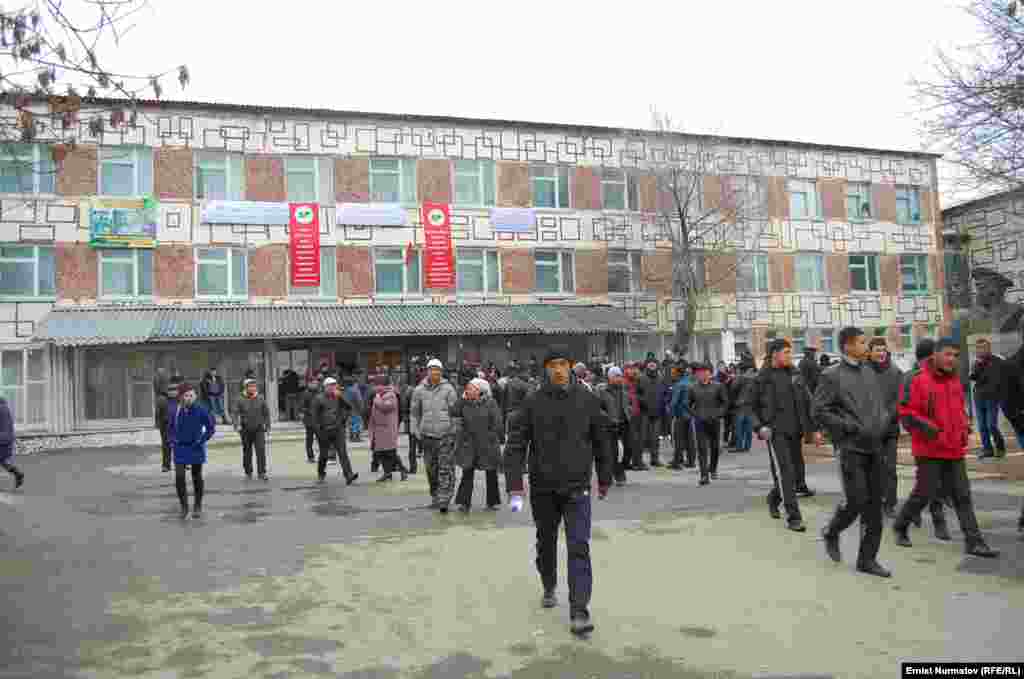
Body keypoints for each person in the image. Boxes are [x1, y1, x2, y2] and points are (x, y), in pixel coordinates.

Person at [505, 345, 614, 637]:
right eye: (552, 364)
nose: (557, 369)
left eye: (562, 363)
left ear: (570, 366)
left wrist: (604, 477)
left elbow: (602, 441)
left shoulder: (588, 400)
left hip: (578, 486)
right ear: (545, 368)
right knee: (546, 541)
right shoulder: (532, 402)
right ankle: (549, 583)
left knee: (579, 546)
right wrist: (516, 486)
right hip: (543, 487)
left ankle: (579, 610)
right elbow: (515, 446)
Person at [892, 338, 1000, 559]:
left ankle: (974, 542)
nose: (953, 359)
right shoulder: (918, 380)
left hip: (954, 449)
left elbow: (959, 409)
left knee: (963, 496)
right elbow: (906, 413)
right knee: (924, 493)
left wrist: (965, 426)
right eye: (948, 354)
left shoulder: (955, 381)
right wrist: (929, 428)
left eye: (956, 355)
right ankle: (901, 524)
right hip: (929, 450)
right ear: (936, 355)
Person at [814, 327, 892, 576]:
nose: (866, 347)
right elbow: (819, 411)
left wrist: (883, 423)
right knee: (856, 501)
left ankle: (867, 559)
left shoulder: (869, 372)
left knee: (874, 506)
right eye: (861, 342)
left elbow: (878, 406)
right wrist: (847, 427)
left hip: (875, 447)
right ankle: (832, 531)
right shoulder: (831, 375)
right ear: (847, 346)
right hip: (851, 448)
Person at [752, 338, 820, 532]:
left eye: (791, 353)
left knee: (796, 476)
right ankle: (793, 517)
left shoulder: (795, 374)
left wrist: (814, 429)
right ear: (774, 354)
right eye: (787, 353)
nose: (790, 356)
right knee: (785, 473)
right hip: (775, 433)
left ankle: (773, 498)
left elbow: (808, 402)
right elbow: (748, 406)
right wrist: (759, 427)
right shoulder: (762, 378)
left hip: (795, 431)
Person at [901, 339, 952, 536]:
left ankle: (916, 510)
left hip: (944, 436)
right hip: (924, 437)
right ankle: (937, 518)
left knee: (933, 479)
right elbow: (906, 411)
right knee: (929, 481)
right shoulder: (911, 378)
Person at [411, 358, 459, 513]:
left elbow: (456, 413)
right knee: (430, 468)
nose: (435, 372)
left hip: (445, 435)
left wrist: (454, 430)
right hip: (427, 435)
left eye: (437, 370)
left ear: (441, 372)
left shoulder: (449, 389)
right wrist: (415, 429)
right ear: (427, 371)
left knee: (445, 468)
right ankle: (435, 495)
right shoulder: (419, 390)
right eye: (432, 370)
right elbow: (414, 413)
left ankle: (444, 499)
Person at [452, 378, 504, 511]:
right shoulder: (464, 403)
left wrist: (491, 436)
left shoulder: (490, 403)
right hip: (469, 444)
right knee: (467, 472)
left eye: (471, 388)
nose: (467, 390)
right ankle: (464, 503)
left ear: (480, 390)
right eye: (467, 388)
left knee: (491, 473)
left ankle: (492, 502)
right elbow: (454, 412)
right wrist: (462, 399)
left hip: (487, 444)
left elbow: (497, 422)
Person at [867, 337, 904, 518]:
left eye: (883, 350)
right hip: (869, 430)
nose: (881, 353)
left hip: (889, 429)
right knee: (872, 467)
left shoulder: (895, 372)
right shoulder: (863, 372)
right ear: (870, 352)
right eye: (877, 350)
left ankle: (890, 503)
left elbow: (900, 400)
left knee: (890, 467)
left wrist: (889, 417)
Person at [168, 383, 215, 519]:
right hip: (180, 447)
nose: (189, 398)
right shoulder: (175, 410)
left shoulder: (201, 409)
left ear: (195, 396)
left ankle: (197, 506)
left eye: (191, 395)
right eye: (186, 395)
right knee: (179, 476)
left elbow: (211, 428)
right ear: (181, 397)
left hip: (196, 446)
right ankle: (184, 507)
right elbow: (169, 428)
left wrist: (202, 439)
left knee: (196, 476)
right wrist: (172, 440)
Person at [688, 363, 728, 485]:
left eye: (705, 372)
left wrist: (719, 413)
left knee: (715, 447)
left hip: (714, 421)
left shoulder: (718, 386)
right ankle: (704, 475)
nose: (702, 375)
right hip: (700, 422)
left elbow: (725, 403)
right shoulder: (693, 388)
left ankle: (713, 468)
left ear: (710, 374)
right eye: (700, 373)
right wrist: (695, 414)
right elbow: (688, 404)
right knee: (701, 448)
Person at [312, 377, 358, 485]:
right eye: (330, 386)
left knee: (342, 453)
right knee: (324, 454)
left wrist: (343, 419)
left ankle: (349, 475)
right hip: (324, 430)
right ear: (325, 387)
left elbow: (349, 407)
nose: (333, 388)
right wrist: (318, 431)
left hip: (338, 429)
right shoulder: (318, 399)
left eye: (334, 385)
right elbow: (314, 417)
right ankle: (321, 473)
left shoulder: (338, 397)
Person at [969, 337, 1008, 460]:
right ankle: (987, 449)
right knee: (982, 426)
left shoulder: (998, 360)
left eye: (983, 347)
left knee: (991, 425)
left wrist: (1001, 391)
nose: (981, 350)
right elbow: (973, 377)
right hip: (979, 397)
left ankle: (1000, 447)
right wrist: (978, 365)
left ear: (989, 348)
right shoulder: (976, 363)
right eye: (979, 348)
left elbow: (1006, 375)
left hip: (992, 398)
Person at [596, 366, 632, 485]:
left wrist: (629, 411)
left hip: (625, 423)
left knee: (629, 449)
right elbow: (597, 408)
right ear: (610, 378)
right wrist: (606, 417)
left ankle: (619, 469)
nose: (619, 378)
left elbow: (630, 403)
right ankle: (618, 474)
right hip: (610, 425)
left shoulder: (624, 389)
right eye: (616, 376)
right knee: (613, 452)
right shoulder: (602, 391)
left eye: (620, 376)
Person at [368, 374, 407, 482]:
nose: (375, 387)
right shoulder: (379, 395)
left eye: (376, 385)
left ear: (382, 385)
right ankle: (387, 473)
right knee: (382, 452)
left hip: (388, 429)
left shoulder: (390, 395)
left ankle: (403, 470)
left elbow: (386, 407)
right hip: (379, 429)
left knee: (390, 453)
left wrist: (376, 400)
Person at [232, 378, 271, 481]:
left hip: (259, 429)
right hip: (245, 429)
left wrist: (267, 426)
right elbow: (235, 413)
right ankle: (248, 472)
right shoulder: (240, 399)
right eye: (250, 386)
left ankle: (262, 472)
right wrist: (236, 425)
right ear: (246, 387)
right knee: (247, 451)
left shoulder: (261, 398)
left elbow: (266, 413)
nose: (253, 388)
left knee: (261, 450)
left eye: (254, 386)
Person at [636, 360, 663, 467]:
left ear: (656, 366)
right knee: (642, 438)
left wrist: (662, 403)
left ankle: (654, 459)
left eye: (654, 364)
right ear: (647, 366)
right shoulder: (641, 378)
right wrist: (643, 401)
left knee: (655, 438)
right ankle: (639, 461)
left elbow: (664, 393)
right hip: (644, 412)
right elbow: (637, 394)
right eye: (650, 364)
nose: (652, 366)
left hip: (657, 412)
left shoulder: (660, 378)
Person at [669, 363, 695, 469]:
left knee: (678, 439)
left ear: (678, 373)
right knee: (690, 439)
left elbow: (674, 402)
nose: (672, 375)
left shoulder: (678, 385)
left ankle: (677, 461)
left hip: (680, 415)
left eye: (673, 373)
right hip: (689, 415)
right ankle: (691, 461)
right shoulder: (690, 383)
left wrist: (671, 412)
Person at [154, 376, 181, 472]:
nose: (173, 392)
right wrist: (158, 423)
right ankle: (166, 465)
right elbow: (158, 413)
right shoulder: (162, 400)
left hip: (178, 425)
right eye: (170, 390)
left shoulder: (181, 399)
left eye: (175, 390)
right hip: (166, 426)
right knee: (166, 446)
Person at [0, 395, 23, 488]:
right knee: (2, 460)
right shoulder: (5, 408)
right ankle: (18, 473)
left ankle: (18, 473)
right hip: (7, 438)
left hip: (2, 439)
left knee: (2, 460)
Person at [732, 366, 757, 452]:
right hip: (749, 406)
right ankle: (747, 447)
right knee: (748, 428)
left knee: (739, 428)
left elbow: (733, 388)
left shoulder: (741, 378)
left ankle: (739, 446)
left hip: (741, 405)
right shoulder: (755, 380)